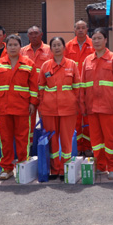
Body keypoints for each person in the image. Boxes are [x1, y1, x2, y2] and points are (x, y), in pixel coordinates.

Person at [0, 34, 39, 180]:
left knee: (23, 139)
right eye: (10, 45)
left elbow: (34, 87)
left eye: (15, 44)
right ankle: (7, 168)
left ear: (20, 47)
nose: (12, 47)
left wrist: (32, 103)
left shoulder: (29, 64)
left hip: (22, 107)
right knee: (5, 139)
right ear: (6, 47)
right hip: (4, 107)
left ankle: (22, 165)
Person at [80, 28, 113, 180]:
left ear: (106, 40)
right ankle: (100, 166)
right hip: (92, 107)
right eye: (94, 38)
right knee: (96, 140)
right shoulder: (87, 60)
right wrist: (83, 106)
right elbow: (82, 86)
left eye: (99, 38)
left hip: (109, 107)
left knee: (111, 139)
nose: (96, 41)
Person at [38, 36, 82, 180]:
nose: (57, 47)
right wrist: (41, 106)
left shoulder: (72, 64)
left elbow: (77, 87)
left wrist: (76, 103)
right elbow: (40, 88)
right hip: (49, 109)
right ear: (50, 49)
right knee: (52, 139)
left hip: (68, 109)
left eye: (59, 45)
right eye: (54, 45)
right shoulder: (45, 66)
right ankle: (54, 169)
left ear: (64, 47)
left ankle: (65, 169)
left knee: (66, 140)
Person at [65, 20, 94, 156]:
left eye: (83, 27)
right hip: (73, 88)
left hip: (89, 88)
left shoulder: (93, 44)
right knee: (75, 119)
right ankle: (76, 147)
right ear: (74, 30)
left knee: (88, 119)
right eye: (78, 28)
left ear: (87, 29)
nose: (81, 30)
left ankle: (88, 147)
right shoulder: (68, 46)